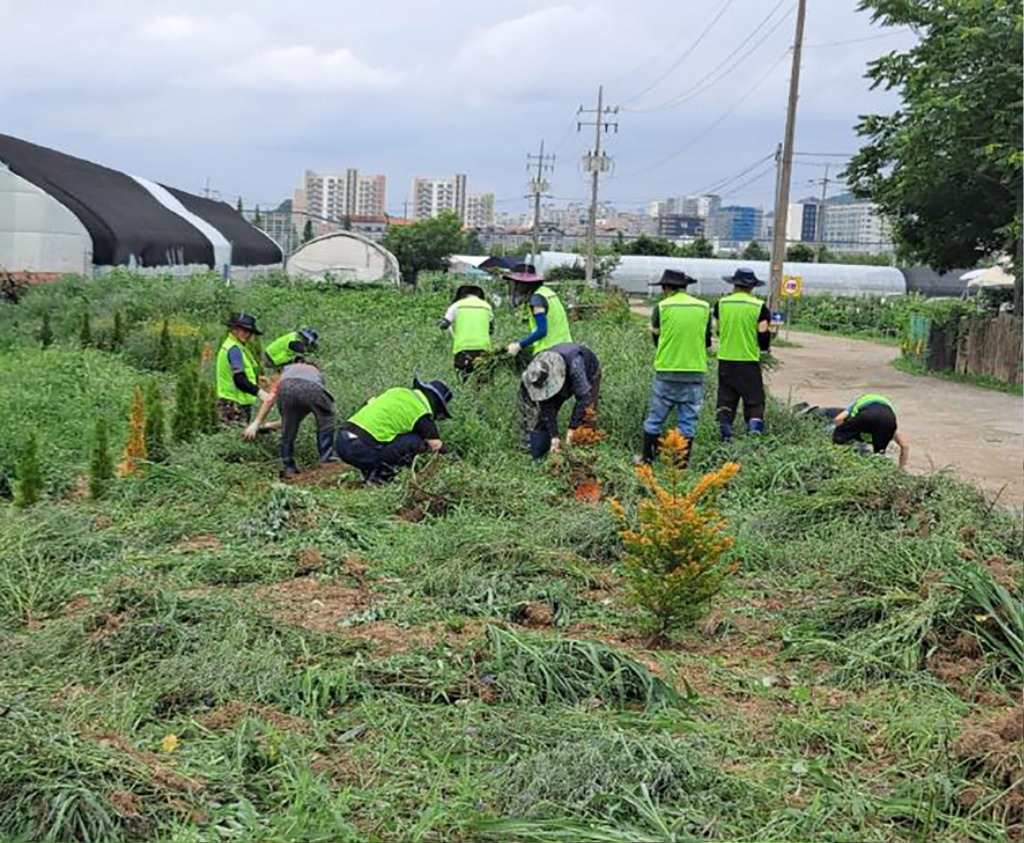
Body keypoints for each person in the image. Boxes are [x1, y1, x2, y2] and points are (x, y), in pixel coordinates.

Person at [641, 269, 711, 464]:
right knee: (688, 422)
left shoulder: (661, 307)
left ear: (666, 288)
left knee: (655, 419)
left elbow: (656, 336)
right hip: (695, 372)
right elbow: (706, 341)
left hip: (667, 371)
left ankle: (648, 461)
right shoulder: (704, 307)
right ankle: (680, 466)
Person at [334, 378, 453, 484]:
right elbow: (436, 445)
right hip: (362, 450)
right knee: (417, 441)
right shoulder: (422, 413)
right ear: (437, 404)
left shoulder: (397, 392)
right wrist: (455, 461)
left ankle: (369, 470)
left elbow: (367, 403)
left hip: (341, 441)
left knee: (388, 436)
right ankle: (381, 476)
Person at [243, 351, 335, 479]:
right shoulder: (315, 372)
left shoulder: (286, 373)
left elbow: (270, 400)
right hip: (312, 388)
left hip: (286, 389)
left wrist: (256, 423)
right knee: (326, 418)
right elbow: (314, 399)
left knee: (288, 431)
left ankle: (288, 467)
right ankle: (327, 458)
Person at [713, 268, 771, 441]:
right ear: (752, 287)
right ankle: (753, 437)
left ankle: (725, 437)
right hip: (748, 361)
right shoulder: (759, 306)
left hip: (726, 360)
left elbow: (719, 330)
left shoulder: (721, 304)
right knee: (754, 400)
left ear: (734, 285)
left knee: (726, 399)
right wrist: (764, 348)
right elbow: (763, 332)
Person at [521, 343, 601, 460]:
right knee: (543, 420)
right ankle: (539, 458)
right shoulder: (537, 369)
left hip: (588, 374)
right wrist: (554, 436)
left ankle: (583, 459)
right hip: (556, 376)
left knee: (587, 415)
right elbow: (546, 405)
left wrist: (572, 428)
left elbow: (584, 397)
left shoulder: (575, 365)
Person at [802, 394, 909, 469]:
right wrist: (900, 470)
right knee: (878, 455)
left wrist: (840, 434)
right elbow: (905, 446)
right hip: (827, 414)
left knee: (838, 436)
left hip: (864, 415)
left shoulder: (859, 411)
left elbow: (838, 421)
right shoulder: (888, 425)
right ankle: (808, 415)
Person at [503, 264, 572, 357]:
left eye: (517, 284)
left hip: (550, 352)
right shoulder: (547, 292)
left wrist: (518, 345)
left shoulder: (536, 299)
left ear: (524, 284)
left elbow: (542, 330)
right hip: (567, 348)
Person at [216, 312, 269, 425]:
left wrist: (256, 380)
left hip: (231, 402)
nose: (248, 334)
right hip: (234, 404)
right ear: (233, 329)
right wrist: (260, 393)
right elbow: (239, 380)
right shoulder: (234, 349)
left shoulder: (235, 346)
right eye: (244, 330)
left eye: (249, 332)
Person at [437, 285, 493, 376]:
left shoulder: (456, 305)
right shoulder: (487, 306)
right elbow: (491, 329)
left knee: (463, 376)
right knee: (481, 377)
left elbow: (444, 324)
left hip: (463, 347)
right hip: (484, 347)